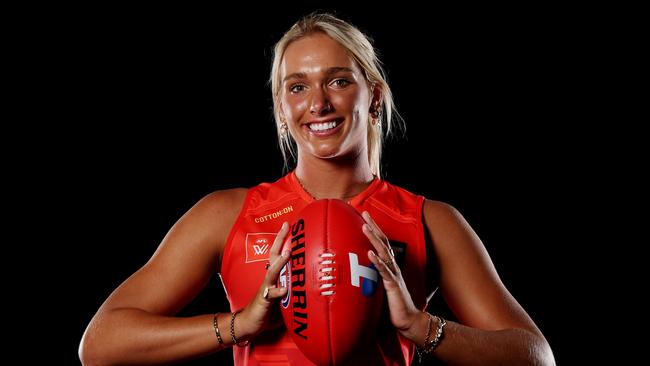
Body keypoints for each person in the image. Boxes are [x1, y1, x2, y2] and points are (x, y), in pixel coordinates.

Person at [79, 13, 555, 365]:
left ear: (375, 97)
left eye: (339, 81)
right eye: (297, 87)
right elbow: (101, 343)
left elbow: (535, 355)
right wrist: (238, 326)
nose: (319, 103)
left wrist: (419, 325)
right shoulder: (227, 214)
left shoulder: (429, 220)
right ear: (280, 108)